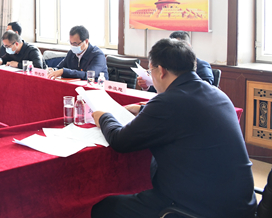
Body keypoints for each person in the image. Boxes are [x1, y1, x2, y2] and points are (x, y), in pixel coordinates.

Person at [91, 38, 256, 218]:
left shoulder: (168, 102)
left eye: (150, 71)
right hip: (240, 205)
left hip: (197, 208)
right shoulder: (218, 94)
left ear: (161, 71)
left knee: (103, 207)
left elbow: (120, 141)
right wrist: (142, 109)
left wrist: (104, 117)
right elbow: (184, 115)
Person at [137, 30, 214, 91]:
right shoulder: (166, 64)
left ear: (188, 47)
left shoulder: (202, 65)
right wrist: (147, 86)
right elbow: (161, 87)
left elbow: (204, 87)